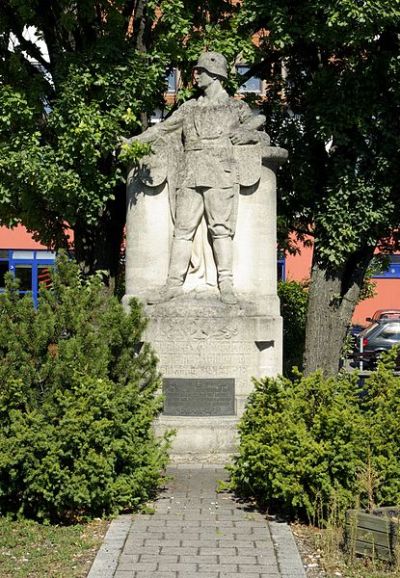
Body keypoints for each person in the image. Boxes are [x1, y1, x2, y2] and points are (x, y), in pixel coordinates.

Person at [129, 51, 266, 305]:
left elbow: (259, 122)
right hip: (190, 172)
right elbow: (162, 128)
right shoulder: (190, 107)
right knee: (182, 231)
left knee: (220, 230)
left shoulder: (235, 107)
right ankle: (173, 286)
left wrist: (247, 133)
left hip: (221, 172)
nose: (196, 76)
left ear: (215, 75)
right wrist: (135, 142)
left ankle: (226, 284)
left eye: (200, 72)